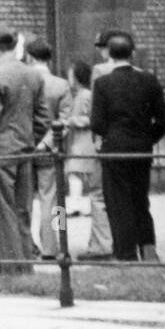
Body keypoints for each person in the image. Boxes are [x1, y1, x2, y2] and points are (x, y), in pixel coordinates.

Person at [90, 32, 165, 262]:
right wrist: (147, 138)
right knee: (140, 201)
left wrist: (112, 136)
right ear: (132, 54)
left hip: (115, 150)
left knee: (118, 203)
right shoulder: (149, 80)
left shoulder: (103, 83)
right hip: (141, 149)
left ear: (110, 55)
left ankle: (125, 254)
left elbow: (96, 123)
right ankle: (148, 250)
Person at [0, 26, 49, 277]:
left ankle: (10, 271)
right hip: (25, 150)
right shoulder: (33, 75)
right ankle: (26, 269)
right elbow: (43, 118)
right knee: (23, 212)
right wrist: (30, 140)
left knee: (1, 213)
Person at [24, 38, 73, 260]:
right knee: (53, 202)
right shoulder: (61, 85)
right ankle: (54, 246)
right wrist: (46, 143)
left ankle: (26, 244)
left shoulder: (23, 81)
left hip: (24, 146)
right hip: (50, 150)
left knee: (23, 201)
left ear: (29, 57)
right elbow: (65, 121)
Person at [78, 30, 119, 260]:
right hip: (129, 143)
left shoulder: (100, 71)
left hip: (102, 142)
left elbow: (96, 110)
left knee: (98, 195)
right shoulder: (140, 73)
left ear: (105, 49)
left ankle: (101, 245)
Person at [65, 60, 95, 217]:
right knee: (77, 172)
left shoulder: (84, 96)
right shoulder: (82, 95)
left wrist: (70, 121)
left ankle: (75, 205)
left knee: (76, 172)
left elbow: (88, 118)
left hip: (83, 139)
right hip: (80, 139)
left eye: (71, 76)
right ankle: (80, 204)